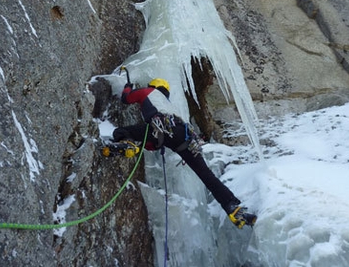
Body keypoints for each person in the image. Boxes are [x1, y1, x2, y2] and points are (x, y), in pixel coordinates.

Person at [102, 77, 257, 228]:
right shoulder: (169, 105)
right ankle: (233, 207)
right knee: (207, 175)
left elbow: (126, 99)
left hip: (161, 129)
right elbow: (155, 143)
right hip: (186, 139)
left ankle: (129, 145)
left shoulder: (148, 91)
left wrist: (128, 86)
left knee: (121, 131)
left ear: (153, 86)